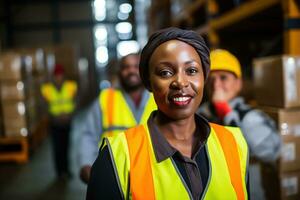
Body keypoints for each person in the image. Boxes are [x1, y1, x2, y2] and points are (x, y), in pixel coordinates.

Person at [87, 27, 249, 200]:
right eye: (165, 73)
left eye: (192, 71)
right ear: (148, 82)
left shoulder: (235, 143)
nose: (180, 82)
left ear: (204, 78)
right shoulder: (116, 157)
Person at [197, 49, 281, 200]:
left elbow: (272, 153)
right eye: (211, 79)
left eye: (223, 78)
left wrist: (227, 115)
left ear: (238, 84)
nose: (216, 85)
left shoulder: (250, 118)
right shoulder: (197, 116)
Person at [78, 53, 157, 184]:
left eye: (135, 66)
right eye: (126, 67)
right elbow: (89, 135)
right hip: (113, 175)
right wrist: (86, 163)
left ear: (144, 71)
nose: (131, 71)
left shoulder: (158, 98)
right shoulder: (106, 98)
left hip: (153, 176)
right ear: (120, 72)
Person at [41, 63, 77, 180]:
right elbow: (43, 106)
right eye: (56, 75)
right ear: (53, 76)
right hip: (55, 123)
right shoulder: (47, 89)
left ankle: (66, 170)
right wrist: (53, 117)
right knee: (57, 148)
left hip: (67, 122)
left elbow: (77, 101)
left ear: (64, 75)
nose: (59, 77)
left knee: (66, 147)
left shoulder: (71, 86)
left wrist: (70, 115)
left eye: (60, 75)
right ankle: (59, 173)